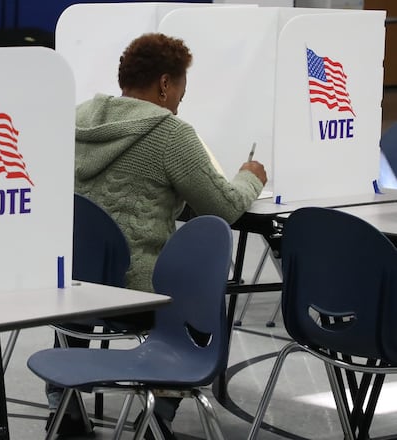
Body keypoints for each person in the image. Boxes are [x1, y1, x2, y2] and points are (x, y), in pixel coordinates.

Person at [45, 32, 267, 438]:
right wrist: (249, 177)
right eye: (182, 87)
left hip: (70, 291)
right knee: (203, 305)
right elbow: (224, 207)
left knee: (87, 265)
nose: (182, 98)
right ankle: (158, 416)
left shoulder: (75, 119)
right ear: (165, 84)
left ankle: (65, 406)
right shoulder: (171, 134)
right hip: (137, 294)